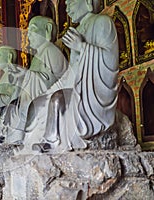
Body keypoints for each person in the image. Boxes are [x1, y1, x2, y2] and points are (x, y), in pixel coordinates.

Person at [33, 0, 119, 152]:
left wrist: (81, 47)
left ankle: (51, 141)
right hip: (78, 87)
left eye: (71, 2)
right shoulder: (77, 31)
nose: (67, 8)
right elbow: (72, 73)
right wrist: (48, 91)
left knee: (57, 99)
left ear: (87, 2)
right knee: (44, 101)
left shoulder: (102, 22)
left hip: (94, 91)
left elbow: (111, 61)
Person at [4, 16, 68, 144]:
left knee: (24, 104)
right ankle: (15, 136)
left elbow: (55, 80)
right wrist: (23, 76)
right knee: (13, 106)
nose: (28, 36)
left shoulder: (51, 50)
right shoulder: (38, 56)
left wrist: (28, 75)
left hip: (48, 98)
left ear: (47, 29)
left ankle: (22, 136)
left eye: (32, 31)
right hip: (34, 98)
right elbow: (36, 77)